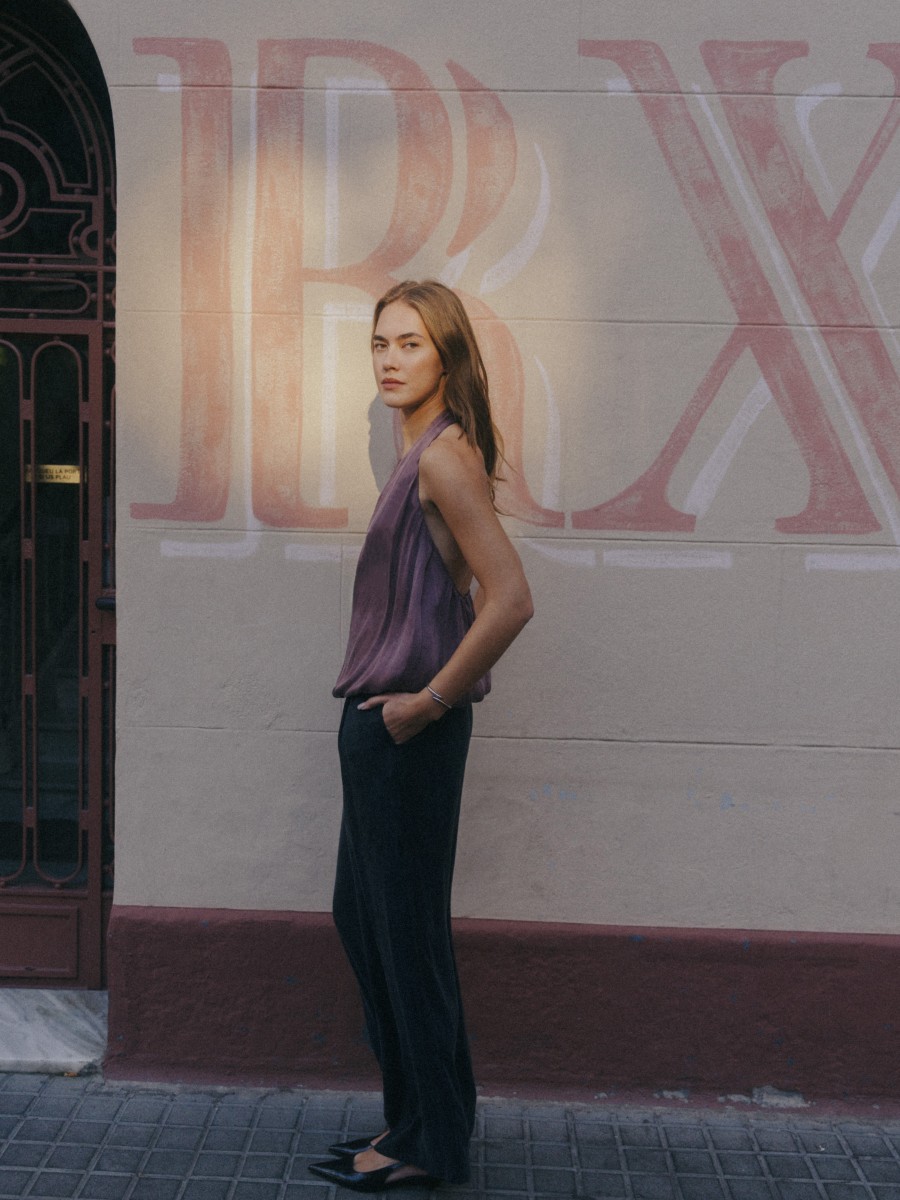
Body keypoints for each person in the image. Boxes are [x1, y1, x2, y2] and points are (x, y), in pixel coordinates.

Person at [309, 280, 533, 1192]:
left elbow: (511, 598)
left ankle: (429, 1141)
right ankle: (420, 1120)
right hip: (383, 732)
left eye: (411, 343)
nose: (391, 360)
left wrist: (428, 702)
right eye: (381, 343)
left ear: (447, 355)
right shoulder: (420, 455)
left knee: (404, 938)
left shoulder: (443, 459)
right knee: (372, 923)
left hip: (409, 735)